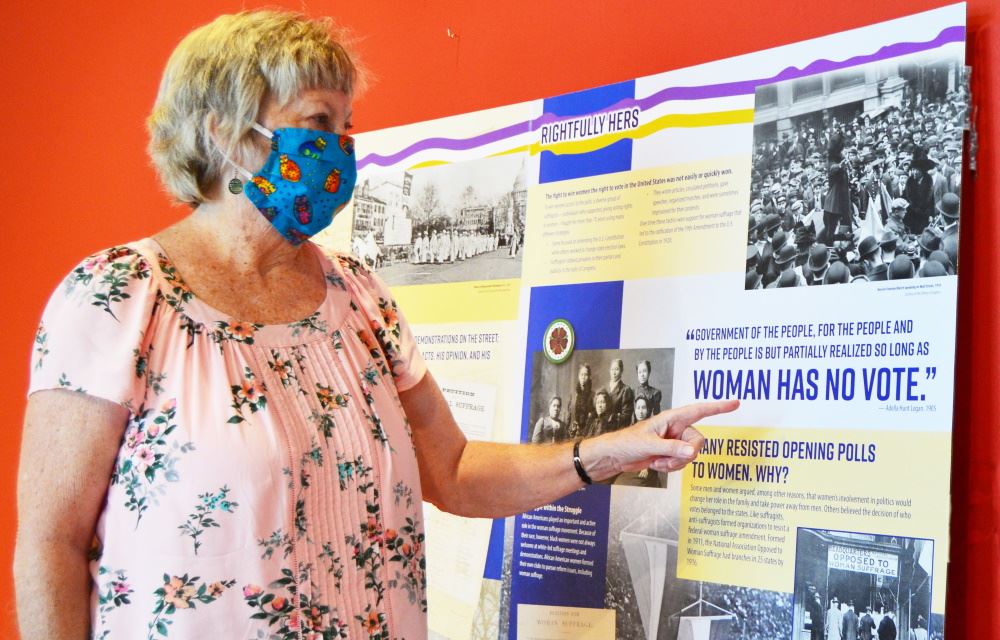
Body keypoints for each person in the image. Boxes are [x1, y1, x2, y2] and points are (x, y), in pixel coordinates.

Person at [14, 11, 738, 639]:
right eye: (317, 123)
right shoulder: (119, 297)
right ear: (227, 134)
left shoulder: (359, 297)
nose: (341, 150)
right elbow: (52, 541)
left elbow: (452, 471)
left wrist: (609, 452)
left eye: (345, 125)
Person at [606, 358, 635, 430]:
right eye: (612, 369)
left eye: (616, 369)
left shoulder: (626, 390)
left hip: (617, 429)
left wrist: (613, 418)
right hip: (603, 429)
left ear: (621, 371)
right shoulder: (605, 388)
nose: (614, 372)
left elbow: (626, 416)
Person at [570, 363, 595, 438]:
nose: (583, 377)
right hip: (573, 432)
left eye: (586, 374)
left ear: (589, 377)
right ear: (578, 376)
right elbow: (569, 414)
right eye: (581, 374)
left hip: (587, 433)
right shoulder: (574, 395)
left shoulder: (593, 395)